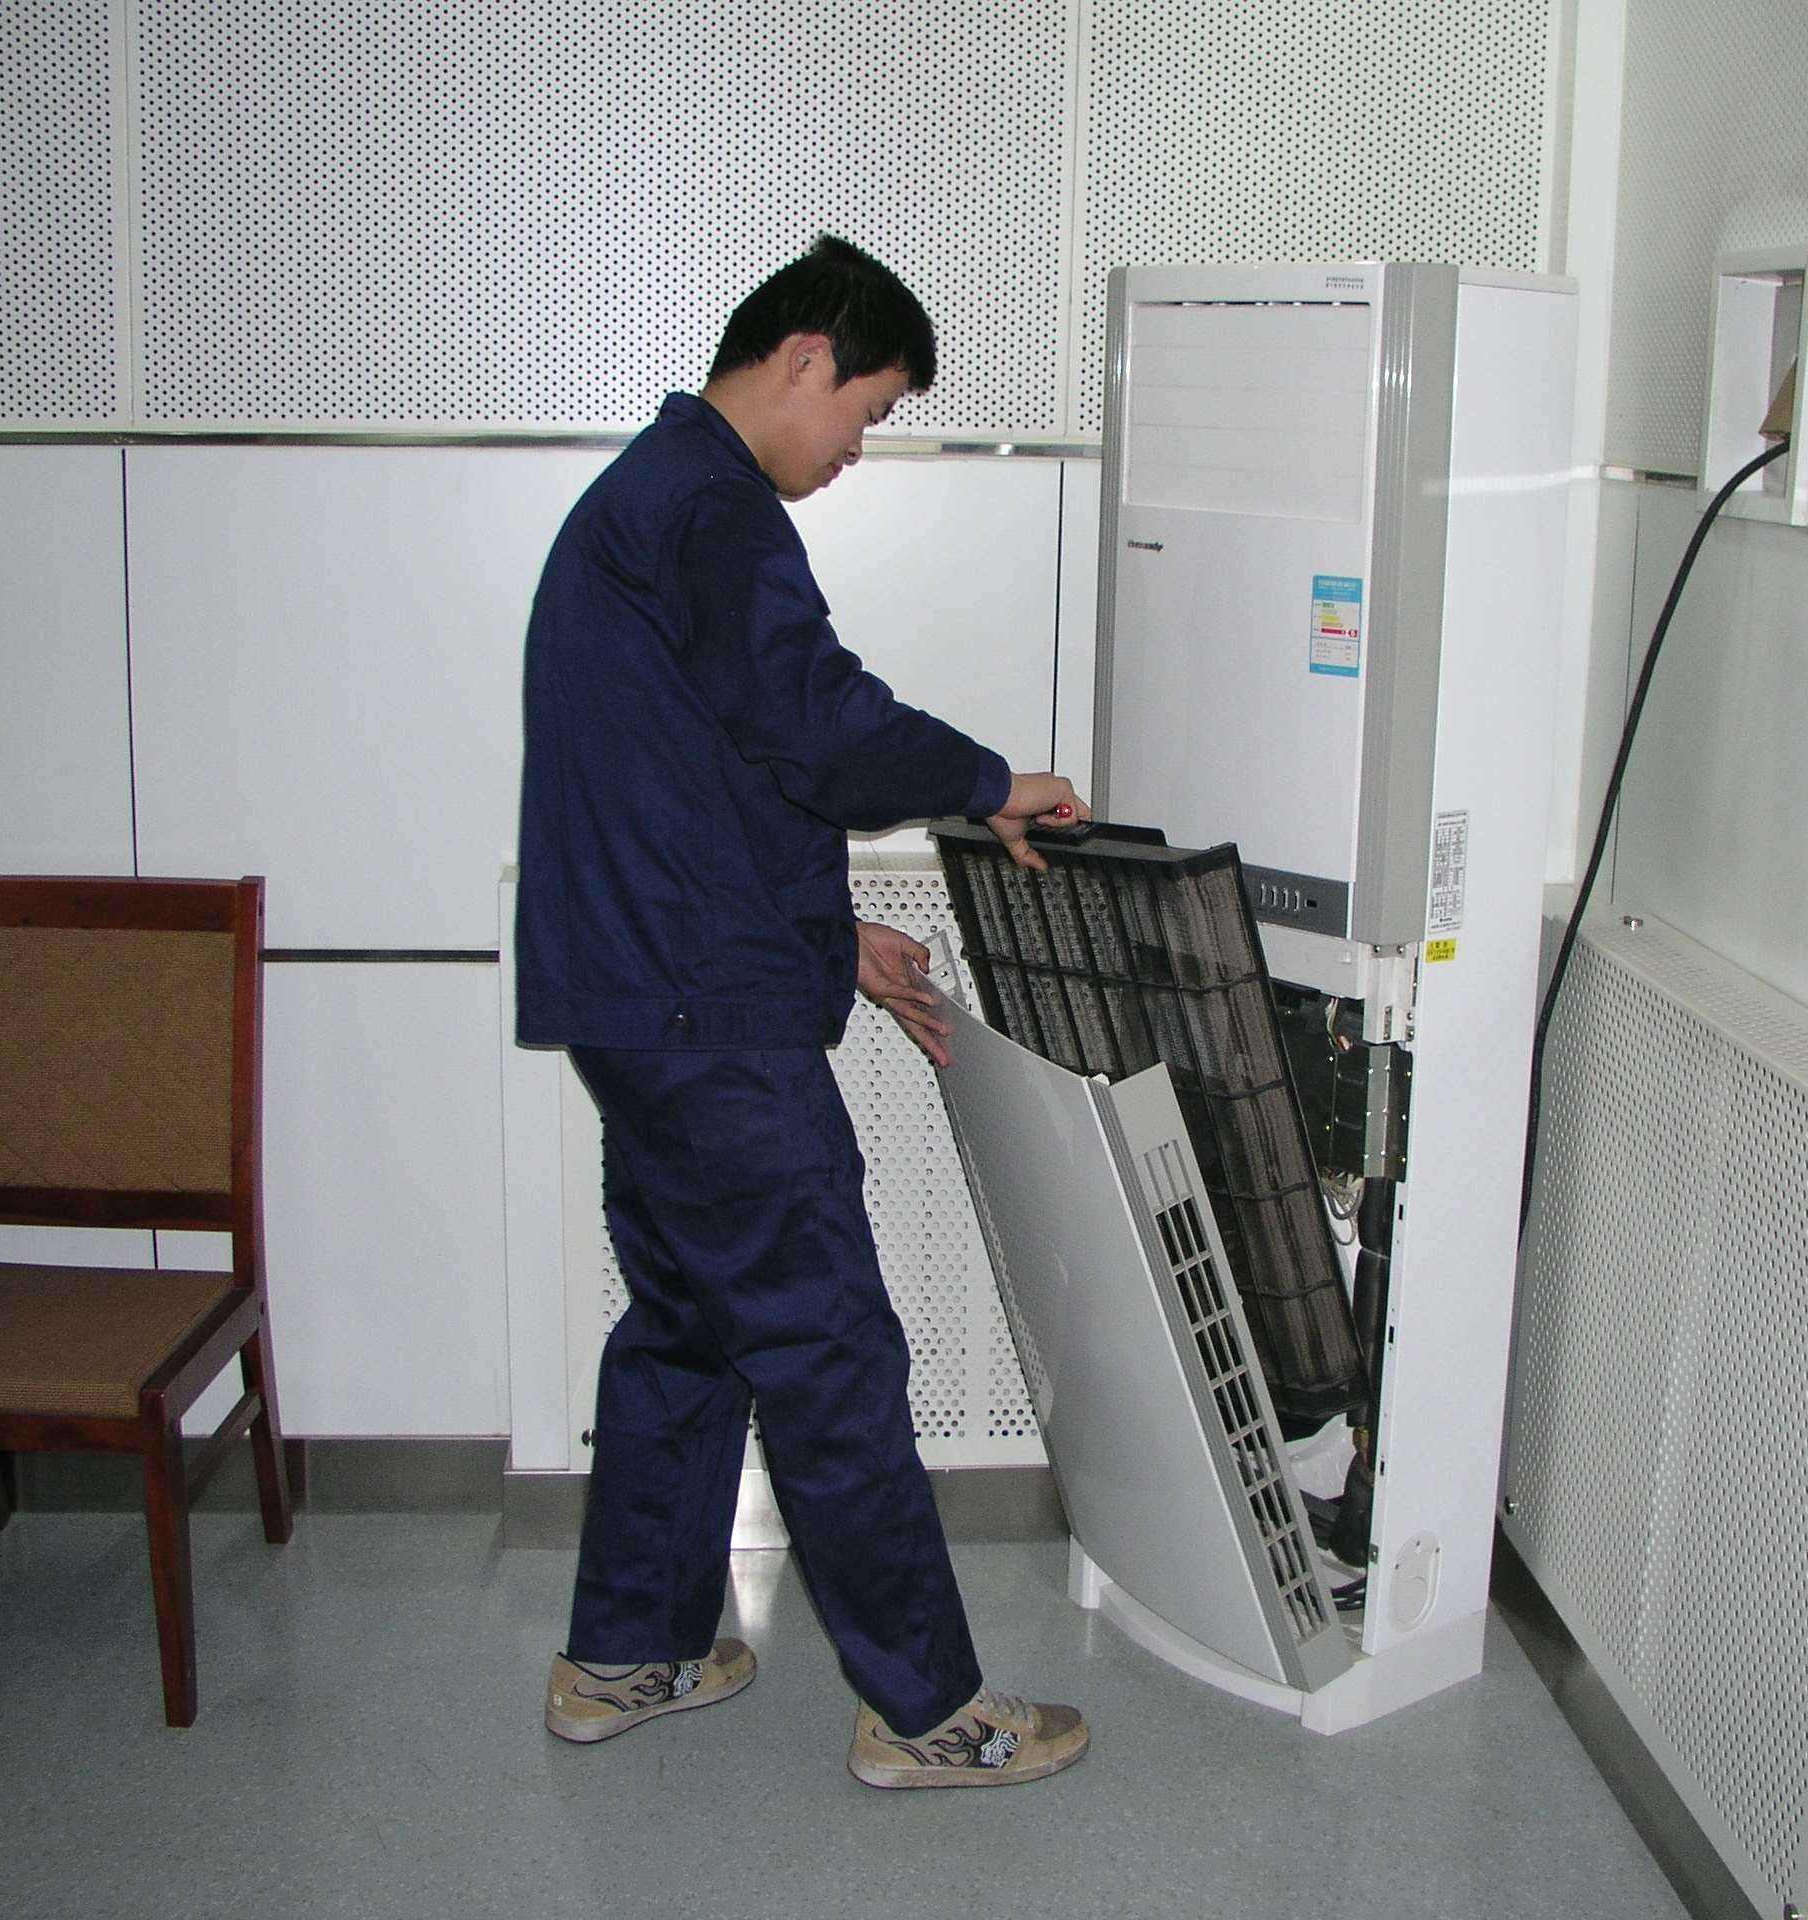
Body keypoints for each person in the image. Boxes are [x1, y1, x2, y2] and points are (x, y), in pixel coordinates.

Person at [514, 235, 1091, 1788]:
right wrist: (986, 784)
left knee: (691, 1327)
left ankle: (628, 1653)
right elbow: (814, 725)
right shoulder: (713, 508)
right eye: (868, 410)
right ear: (805, 359)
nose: (855, 451)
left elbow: (695, 784)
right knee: (827, 1344)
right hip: (705, 1027)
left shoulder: (649, 500)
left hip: (647, 1001)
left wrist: (829, 941)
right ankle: (929, 1711)